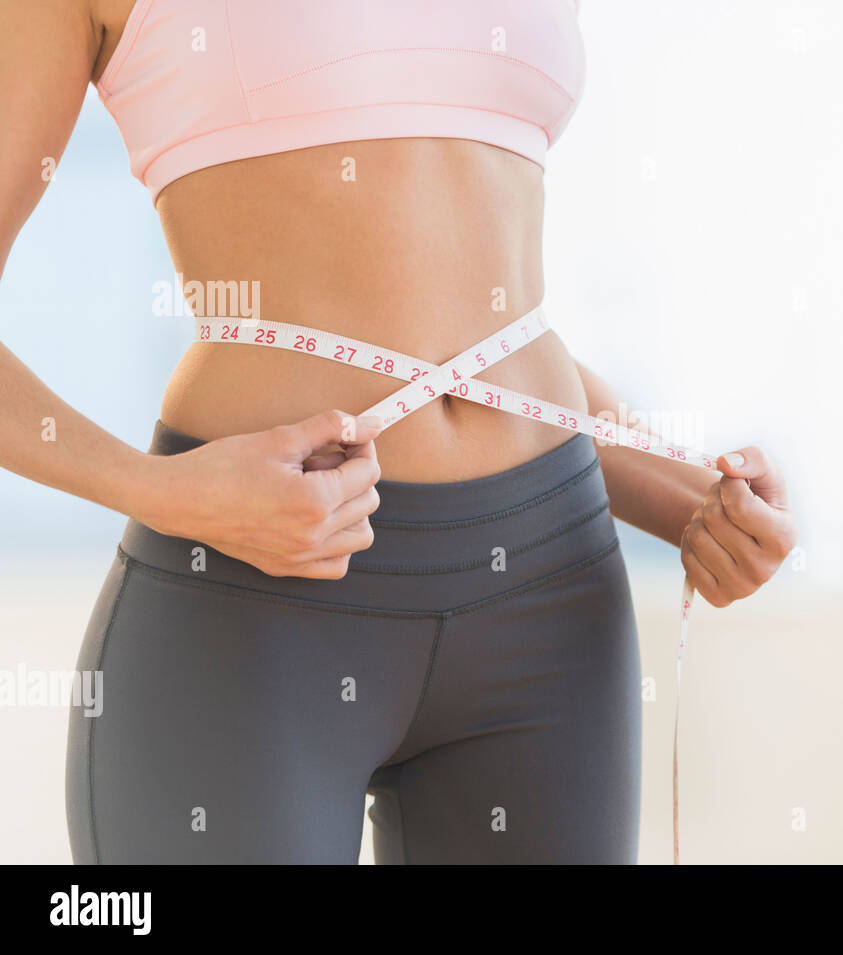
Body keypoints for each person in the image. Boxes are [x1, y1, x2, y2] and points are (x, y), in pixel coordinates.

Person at [0, 0, 797, 863]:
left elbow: (480, 332)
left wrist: (694, 505)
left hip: (550, 594)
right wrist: (162, 492)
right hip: (253, 596)